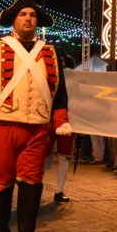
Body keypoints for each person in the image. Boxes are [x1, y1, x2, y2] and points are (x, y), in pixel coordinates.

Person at [0, 0, 71, 232]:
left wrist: (60, 120)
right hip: (4, 125)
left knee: (32, 183)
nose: (28, 19)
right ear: (14, 20)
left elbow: (59, 91)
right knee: (1, 181)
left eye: (33, 15)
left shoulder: (51, 51)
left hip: (38, 129)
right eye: (23, 14)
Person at [46, 48, 77, 203]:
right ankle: (35, 186)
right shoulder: (44, 75)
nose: (60, 62)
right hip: (48, 120)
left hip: (68, 121)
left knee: (64, 156)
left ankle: (59, 190)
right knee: (42, 155)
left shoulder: (74, 79)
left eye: (62, 60)